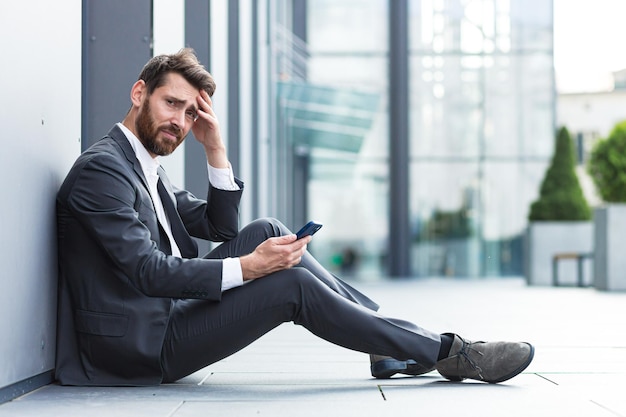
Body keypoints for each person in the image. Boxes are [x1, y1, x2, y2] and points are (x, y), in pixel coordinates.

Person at [55, 48, 534, 386]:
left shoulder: (142, 165)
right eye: (171, 104)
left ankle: (388, 339)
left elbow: (219, 228)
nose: (180, 121)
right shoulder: (105, 170)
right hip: (135, 346)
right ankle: (446, 352)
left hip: (160, 317)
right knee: (290, 285)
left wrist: (215, 148)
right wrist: (249, 268)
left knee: (267, 230)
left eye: (189, 113)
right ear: (140, 93)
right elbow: (146, 270)